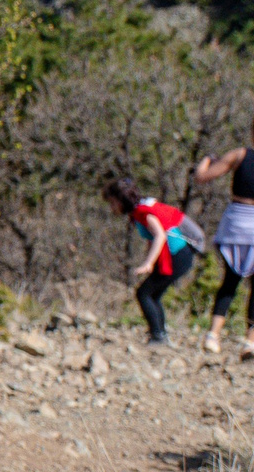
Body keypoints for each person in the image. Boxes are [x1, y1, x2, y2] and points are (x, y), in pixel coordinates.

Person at [106, 175, 198, 346]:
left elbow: (160, 235)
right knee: (153, 295)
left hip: (177, 256)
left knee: (144, 294)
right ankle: (160, 335)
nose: (112, 208)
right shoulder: (139, 211)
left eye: (113, 203)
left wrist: (148, 263)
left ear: (121, 200)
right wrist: (151, 259)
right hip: (175, 256)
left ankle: (158, 336)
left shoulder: (142, 212)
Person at [191, 122, 254, 359]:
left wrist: (207, 159)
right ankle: (250, 342)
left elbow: (202, 176)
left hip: (236, 222)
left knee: (230, 280)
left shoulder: (239, 155)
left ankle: (213, 336)